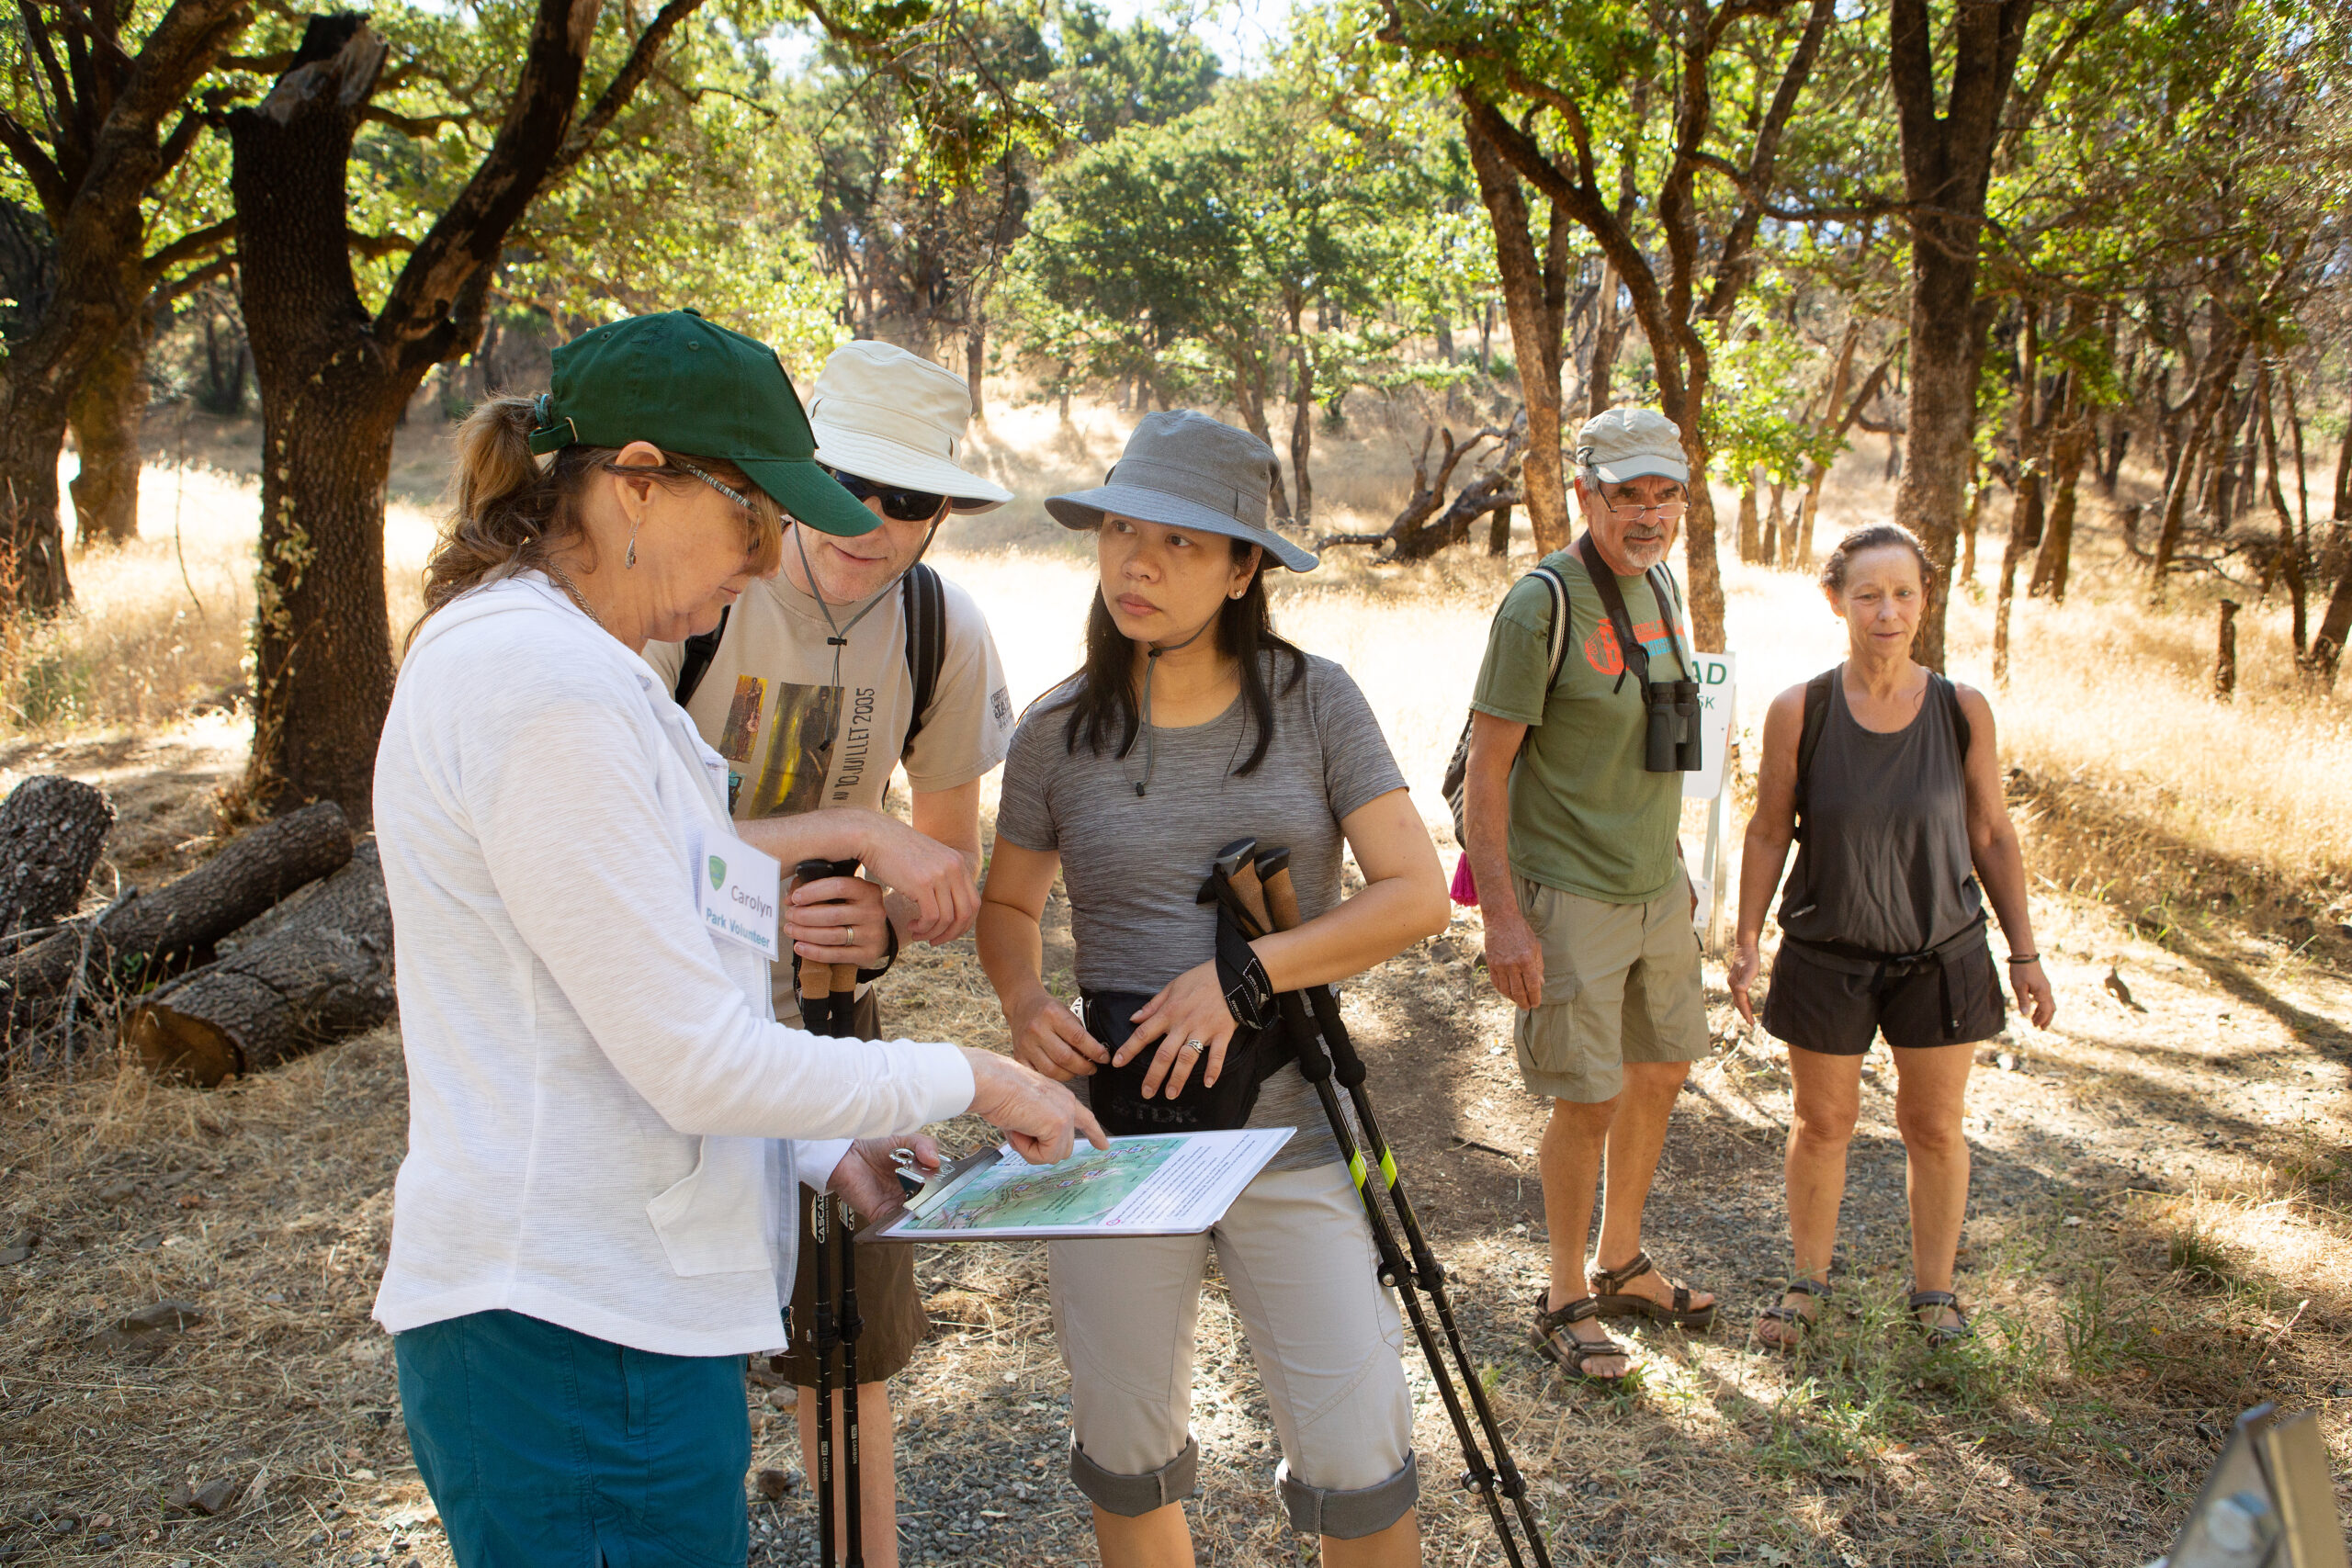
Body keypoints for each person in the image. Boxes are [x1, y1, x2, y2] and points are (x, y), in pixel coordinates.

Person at [371, 310, 1102, 1568]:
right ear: (639, 481)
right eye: (753, 518)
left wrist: (825, 1146)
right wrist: (978, 1074)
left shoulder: (591, 674)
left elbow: (655, 973)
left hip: (632, 1311)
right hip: (572, 1323)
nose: (766, 564)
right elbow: (693, 1055)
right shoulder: (541, 686)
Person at [976, 410, 1449, 1567]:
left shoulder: (1314, 701)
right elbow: (1005, 907)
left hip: (1287, 1124)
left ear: (1244, 568)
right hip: (1114, 1136)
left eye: (1183, 543)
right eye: (1121, 531)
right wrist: (1027, 1004)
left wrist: (1241, 976)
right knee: (1126, 1451)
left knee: (1359, 1456)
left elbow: (1415, 894)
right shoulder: (1053, 732)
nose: (1138, 563)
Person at [643, 339, 1014, 1563]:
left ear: (944, 512)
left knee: (844, 1338)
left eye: (909, 498)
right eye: (846, 480)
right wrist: (841, 838)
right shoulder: (702, 592)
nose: (871, 520)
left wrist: (886, 918)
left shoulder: (942, 629)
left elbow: (944, 866)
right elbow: (625, 828)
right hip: (659, 1007)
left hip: (824, 1019)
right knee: (662, 1327)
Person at [1726, 522, 2056, 1348]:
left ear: (1924, 600)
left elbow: (1991, 834)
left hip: (1939, 953)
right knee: (1822, 1123)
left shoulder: (1959, 708)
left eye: (1903, 593)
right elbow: (1769, 831)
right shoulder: (1801, 708)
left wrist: (2024, 952)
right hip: (1826, 952)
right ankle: (1806, 1283)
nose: (1887, 611)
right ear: (1836, 601)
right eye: (1868, 594)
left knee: (1936, 1127)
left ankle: (1935, 1294)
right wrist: (1744, 940)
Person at [1460, 405, 1718, 1384]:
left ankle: (1622, 1262)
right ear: (1586, 495)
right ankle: (1564, 1294)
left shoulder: (1658, 586)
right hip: (1566, 891)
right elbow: (1488, 774)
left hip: (1656, 887)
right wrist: (1504, 919)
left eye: (1664, 496)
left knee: (1658, 1074)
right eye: (1626, 495)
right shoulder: (1541, 605)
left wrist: (1678, 861)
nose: (1647, 514)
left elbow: (1669, 731)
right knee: (1588, 1094)